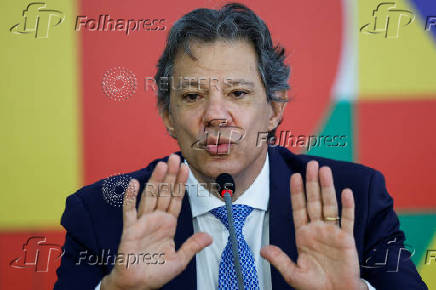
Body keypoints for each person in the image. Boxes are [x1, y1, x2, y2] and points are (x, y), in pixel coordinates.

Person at [54, 3, 427, 290]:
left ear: (274, 110)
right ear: (168, 116)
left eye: (237, 93)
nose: (216, 115)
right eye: (191, 95)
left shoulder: (352, 199)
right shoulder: (102, 212)